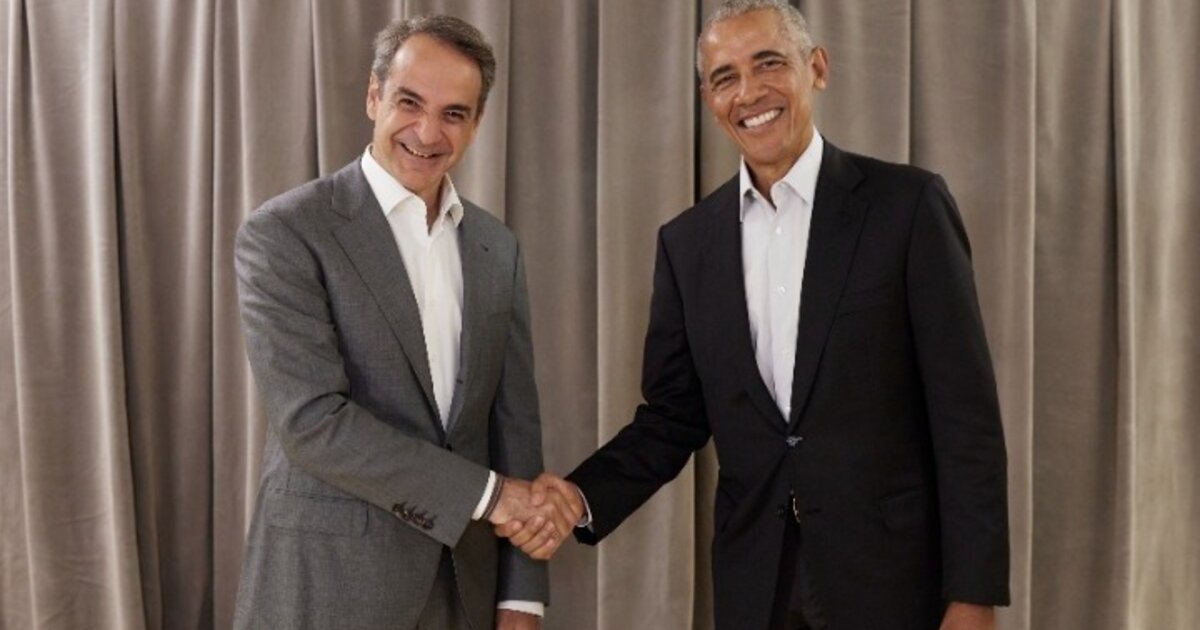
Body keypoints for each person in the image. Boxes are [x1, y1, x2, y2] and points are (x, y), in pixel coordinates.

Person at [505, 1, 1010, 628]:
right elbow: (672, 418)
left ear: (816, 68)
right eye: (725, 78)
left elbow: (966, 418)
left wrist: (973, 593)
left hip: (894, 580)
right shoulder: (687, 244)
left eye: (769, 64)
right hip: (755, 583)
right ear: (709, 99)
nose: (748, 93)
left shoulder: (907, 207)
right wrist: (579, 497)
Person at [232, 15, 580, 630]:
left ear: (476, 123)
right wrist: (492, 497)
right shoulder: (286, 232)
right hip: (327, 588)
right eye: (409, 102)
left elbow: (515, 427)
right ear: (374, 96)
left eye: (453, 113)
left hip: (464, 591)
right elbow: (312, 423)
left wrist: (522, 597)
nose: (427, 132)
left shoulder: (497, 248)